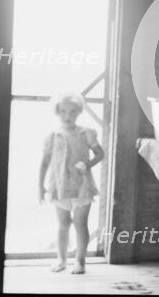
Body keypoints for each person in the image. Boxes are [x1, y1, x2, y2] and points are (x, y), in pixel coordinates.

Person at [38, 92, 105, 274]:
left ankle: (80, 260)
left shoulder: (86, 134)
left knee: (80, 224)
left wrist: (88, 164)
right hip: (60, 187)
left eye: (73, 112)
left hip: (82, 186)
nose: (68, 116)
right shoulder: (52, 136)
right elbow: (44, 162)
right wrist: (40, 186)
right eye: (63, 112)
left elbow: (100, 153)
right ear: (57, 112)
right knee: (63, 224)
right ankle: (61, 259)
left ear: (79, 112)